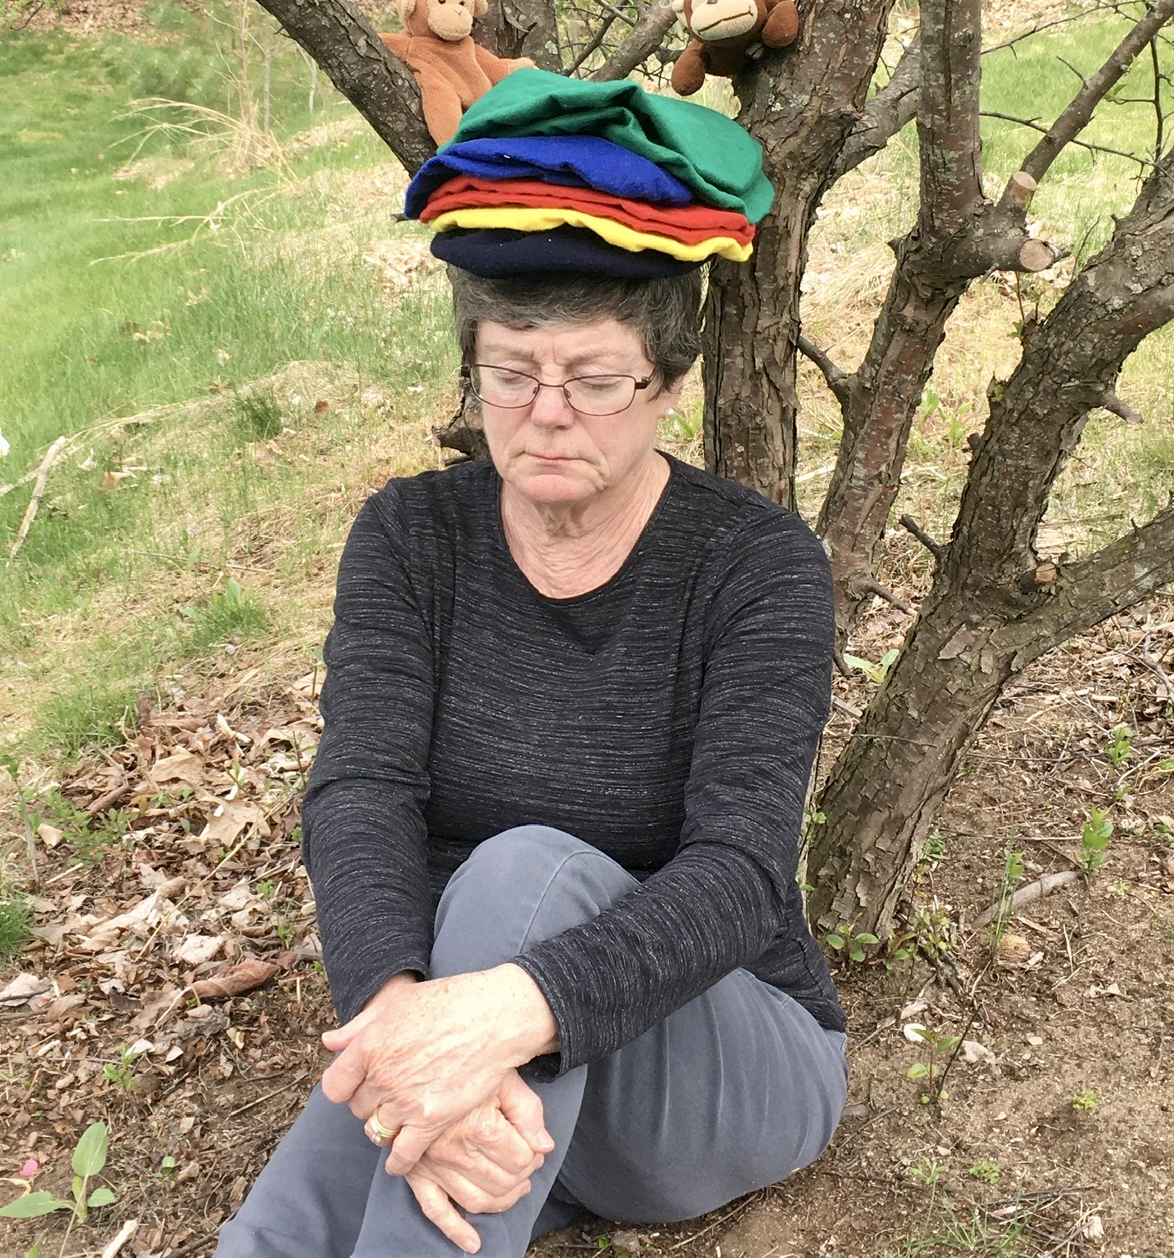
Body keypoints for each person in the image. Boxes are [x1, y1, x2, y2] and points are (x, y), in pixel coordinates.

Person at [214, 264, 847, 1257]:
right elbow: (362, 791)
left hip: (718, 1074)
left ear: (668, 383)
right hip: (509, 1077)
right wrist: (407, 1026)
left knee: (521, 871)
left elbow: (743, 873)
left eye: (594, 379)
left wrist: (502, 1015)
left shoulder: (755, 563)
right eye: (511, 373)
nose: (548, 412)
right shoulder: (412, 536)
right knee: (309, 1215)